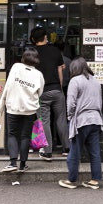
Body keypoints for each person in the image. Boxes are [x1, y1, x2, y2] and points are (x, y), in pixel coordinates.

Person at [0, 47, 45, 172]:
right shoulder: (39, 75)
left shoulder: (16, 67)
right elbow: (40, 93)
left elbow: (7, 87)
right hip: (29, 109)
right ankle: (23, 165)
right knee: (25, 136)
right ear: (36, 60)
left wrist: (0, 108)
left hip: (13, 107)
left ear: (23, 58)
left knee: (12, 134)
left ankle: (12, 163)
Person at [59, 57, 103, 190]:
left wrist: (69, 116)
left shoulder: (75, 80)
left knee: (75, 151)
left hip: (81, 121)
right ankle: (95, 180)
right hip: (96, 120)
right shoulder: (95, 80)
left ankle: (72, 180)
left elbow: (71, 102)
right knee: (95, 152)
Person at [30, 27, 70, 160]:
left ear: (33, 39)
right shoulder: (55, 50)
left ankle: (47, 152)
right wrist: (59, 87)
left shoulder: (31, 53)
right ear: (45, 37)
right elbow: (60, 71)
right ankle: (67, 148)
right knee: (61, 119)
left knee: (44, 121)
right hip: (56, 90)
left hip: (41, 92)